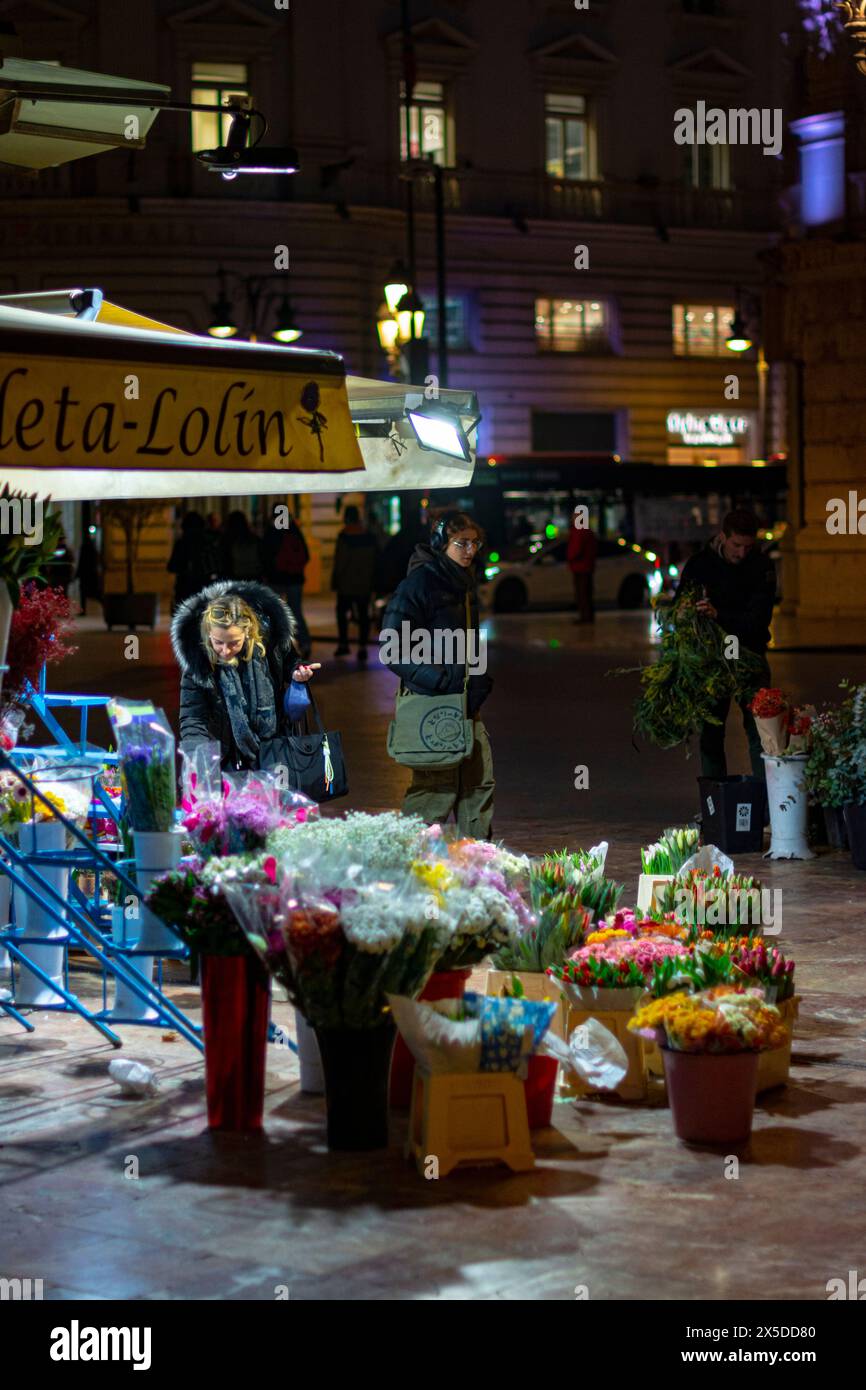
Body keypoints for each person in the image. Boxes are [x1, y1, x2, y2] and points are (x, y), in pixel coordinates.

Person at [382, 509, 494, 839]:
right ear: (441, 544)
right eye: (461, 543)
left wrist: (479, 680)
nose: (470, 551)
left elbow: (469, 640)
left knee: (478, 786)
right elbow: (392, 648)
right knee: (435, 791)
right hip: (432, 704)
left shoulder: (465, 583)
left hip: (467, 706)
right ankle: (410, 869)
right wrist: (440, 681)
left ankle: (477, 868)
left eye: (476, 543)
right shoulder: (419, 584)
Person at [171, 580, 319, 771]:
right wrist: (198, 761)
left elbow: (290, 661)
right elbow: (193, 718)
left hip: (272, 753)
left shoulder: (270, 646)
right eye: (218, 642)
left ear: (248, 632)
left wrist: (298, 672)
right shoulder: (199, 665)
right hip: (226, 760)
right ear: (208, 635)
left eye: (233, 643)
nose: (225, 650)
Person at [676, 508, 776, 782]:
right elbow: (679, 608)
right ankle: (714, 805)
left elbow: (757, 620)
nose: (742, 553)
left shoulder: (762, 567)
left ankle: (764, 807)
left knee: (761, 732)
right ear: (723, 536)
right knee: (710, 734)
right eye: (736, 545)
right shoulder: (700, 564)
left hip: (750, 657)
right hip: (711, 662)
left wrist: (719, 615)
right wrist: (686, 610)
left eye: (748, 546)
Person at [262, 505, 312, 657]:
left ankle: (275, 646)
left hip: (275, 579)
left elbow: (264, 555)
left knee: (274, 612)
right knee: (296, 611)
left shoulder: (271, 532)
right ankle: (304, 642)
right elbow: (306, 556)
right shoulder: (294, 531)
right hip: (294, 579)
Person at [331, 504, 378, 661]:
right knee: (364, 615)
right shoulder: (369, 536)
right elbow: (375, 560)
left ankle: (343, 643)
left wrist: (335, 579)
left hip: (346, 583)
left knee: (342, 613)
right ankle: (362, 647)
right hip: (364, 582)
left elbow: (340, 561)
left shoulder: (344, 536)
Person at [167, 511, 219, 610]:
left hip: (185, 586)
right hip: (204, 585)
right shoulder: (207, 542)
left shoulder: (182, 543)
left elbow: (172, 566)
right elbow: (214, 565)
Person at [567, 506, 598, 624]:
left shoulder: (580, 531)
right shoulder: (587, 531)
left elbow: (576, 549)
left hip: (580, 567)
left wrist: (570, 558)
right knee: (586, 593)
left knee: (582, 594)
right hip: (586, 566)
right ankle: (587, 616)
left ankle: (585, 617)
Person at [220, 510, 263, 582]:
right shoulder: (254, 539)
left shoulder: (227, 540)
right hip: (254, 575)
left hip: (236, 577)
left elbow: (225, 562)